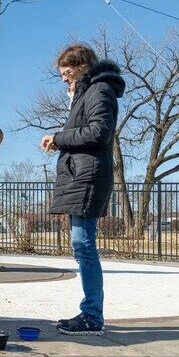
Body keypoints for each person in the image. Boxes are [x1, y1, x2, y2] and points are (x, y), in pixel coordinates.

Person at [40, 43, 125, 336]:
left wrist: (60, 137)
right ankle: (90, 313)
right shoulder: (86, 94)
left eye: (67, 73)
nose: (64, 79)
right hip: (84, 175)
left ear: (83, 67)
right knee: (82, 247)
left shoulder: (99, 91)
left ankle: (91, 316)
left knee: (84, 246)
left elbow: (99, 132)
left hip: (89, 178)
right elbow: (86, 132)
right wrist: (61, 140)